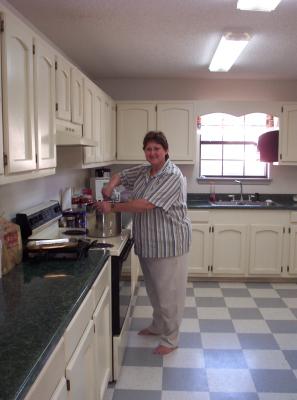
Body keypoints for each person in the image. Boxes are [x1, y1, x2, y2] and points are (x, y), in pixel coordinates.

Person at [96, 131, 191, 355]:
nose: (152, 153)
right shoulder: (145, 170)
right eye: (148, 149)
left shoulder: (172, 175)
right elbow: (121, 175)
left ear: (166, 150)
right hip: (149, 242)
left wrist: (113, 207)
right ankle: (159, 325)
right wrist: (110, 186)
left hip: (169, 243)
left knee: (169, 294)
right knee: (155, 290)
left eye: (157, 148)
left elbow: (146, 204)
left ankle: (171, 339)